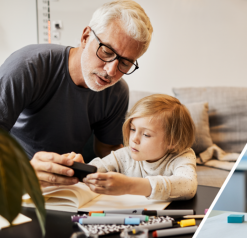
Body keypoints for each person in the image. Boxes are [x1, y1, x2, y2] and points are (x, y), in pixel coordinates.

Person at [0, 0, 153, 188]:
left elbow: (107, 150)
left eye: (125, 63)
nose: (112, 71)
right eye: (106, 51)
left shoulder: (117, 93)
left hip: (69, 187)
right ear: (86, 36)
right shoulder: (28, 66)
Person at [67, 94, 197, 200]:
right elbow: (100, 167)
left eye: (146, 134)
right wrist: (83, 170)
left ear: (172, 141)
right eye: (132, 129)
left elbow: (188, 185)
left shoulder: (182, 156)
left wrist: (129, 186)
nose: (134, 139)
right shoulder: (125, 155)